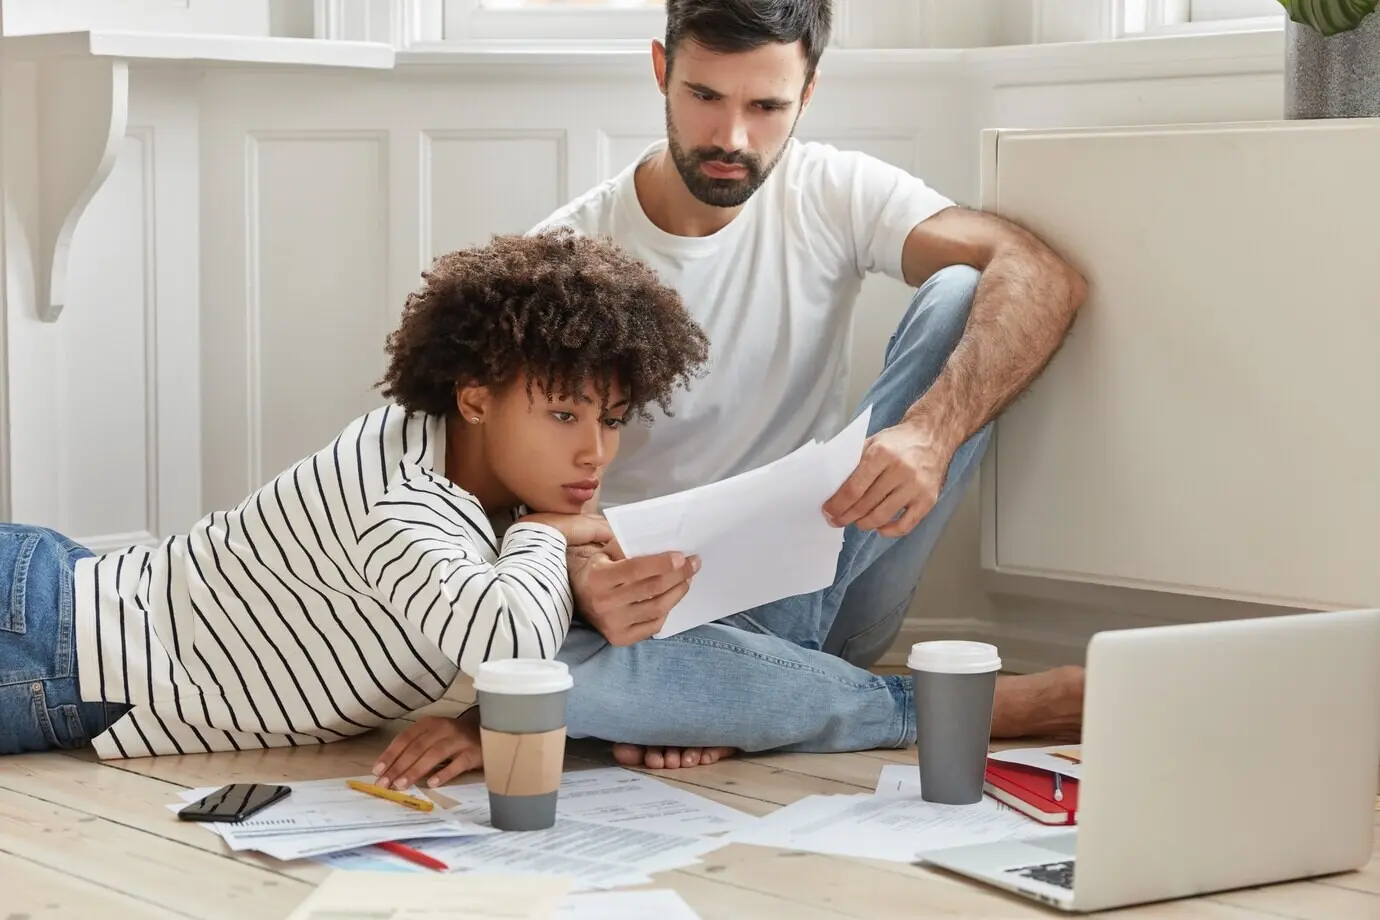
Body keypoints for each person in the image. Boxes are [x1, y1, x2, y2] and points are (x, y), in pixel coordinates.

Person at [525, 0, 1091, 770]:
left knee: (966, 292)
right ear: (662, 70)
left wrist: (930, 431)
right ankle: (932, 706)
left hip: (830, 577)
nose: (731, 138)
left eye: (766, 106)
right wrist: (587, 574)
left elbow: (1041, 273)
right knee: (552, 672)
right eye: (704, 97)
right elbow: (505, 488)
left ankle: (745, 697)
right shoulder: (564, 255)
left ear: (809, 90)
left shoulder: (831, 191)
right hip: (656, 619)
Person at [0, 230, 709, 787]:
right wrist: (545, 533)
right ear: (474, 398)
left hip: (56, 608)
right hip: (50, 649)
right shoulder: (395, 502)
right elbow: (514, 652)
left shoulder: (447, 451)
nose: (595, 453)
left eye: (612, 419)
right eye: (562, 416)